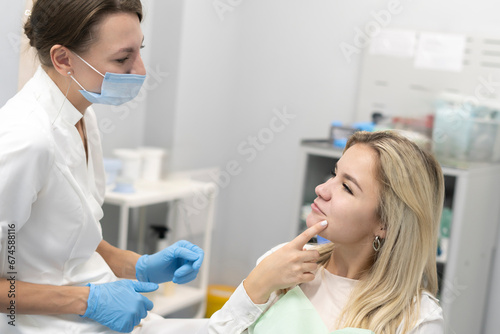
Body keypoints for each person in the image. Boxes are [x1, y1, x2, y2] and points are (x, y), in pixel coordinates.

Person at [0, 1, 204, 333]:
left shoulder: (82, 114)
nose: (140, 71)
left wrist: (137, 265)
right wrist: (86, 300)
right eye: (123, 59)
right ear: (63, 59)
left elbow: (69, 234)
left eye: (139, 51)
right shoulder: (24, 140)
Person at [198, 130, 445, 334]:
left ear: (386, 223)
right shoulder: (284, 265)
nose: (321, 189)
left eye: (347, 187)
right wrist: (256, 285)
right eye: (334, 174)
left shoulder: (418, 319)